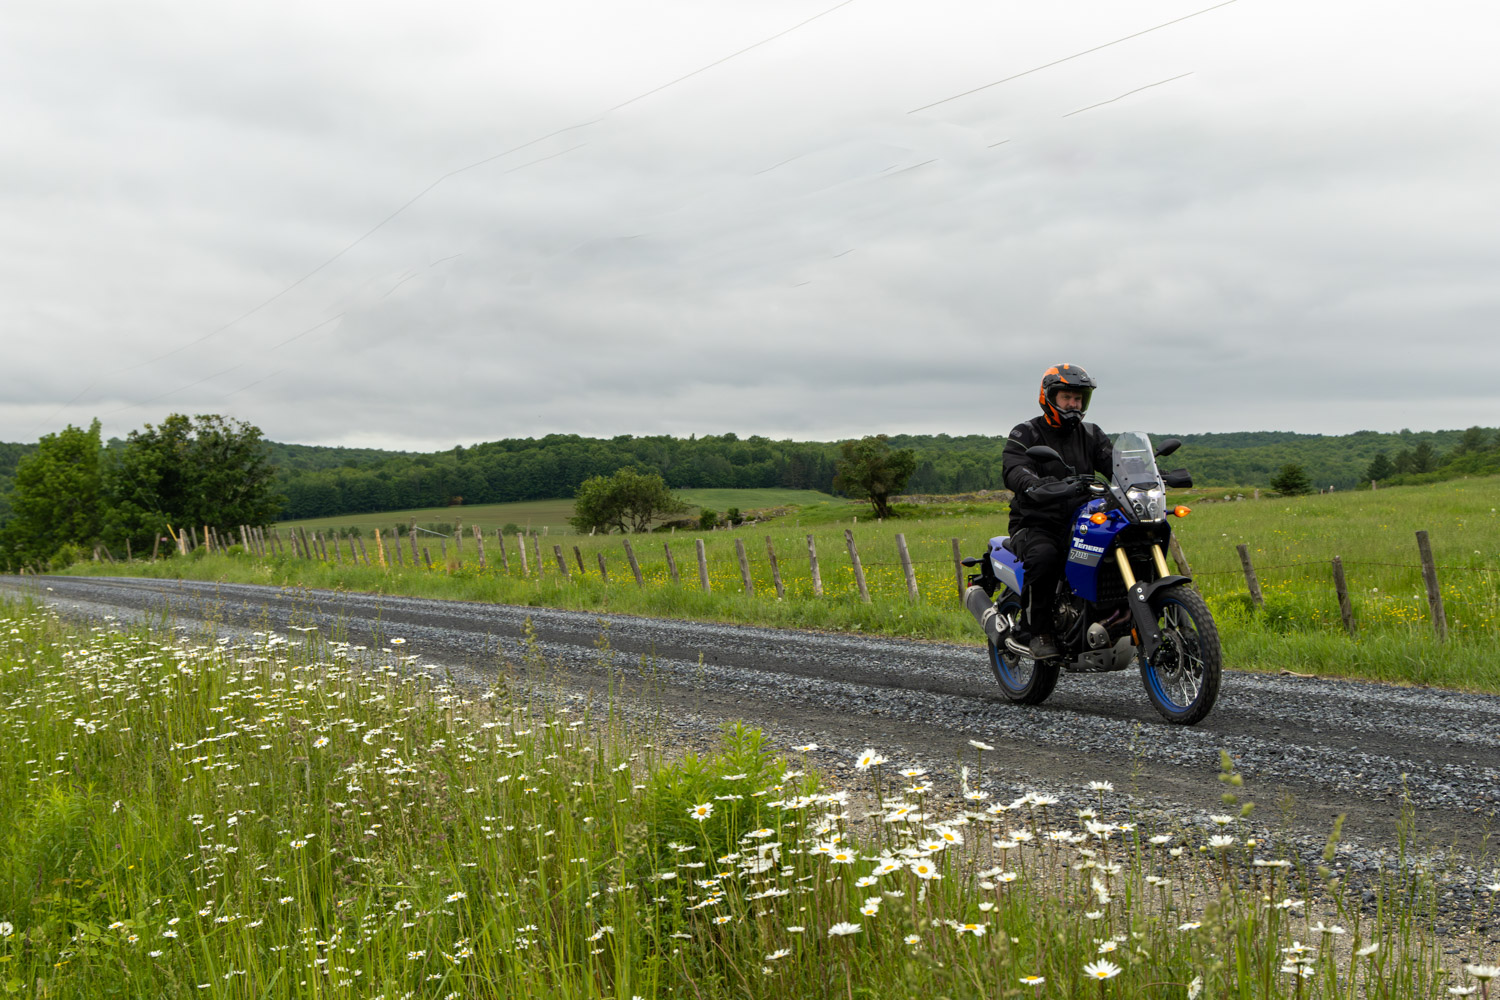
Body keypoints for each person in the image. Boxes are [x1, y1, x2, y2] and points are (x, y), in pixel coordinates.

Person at [1000, 364, 1113, 660]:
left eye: (1079, 399)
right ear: (1049, 397)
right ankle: (1037, 630)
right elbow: (1015, 468)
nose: (1073, 405)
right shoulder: (1026, 432)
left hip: (1081, 521)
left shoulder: (1091, 434)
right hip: (1037, 522)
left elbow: (1115, 464)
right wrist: (1035, 484)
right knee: (1045, 557)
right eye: (1067, 398)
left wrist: (1149, 475)